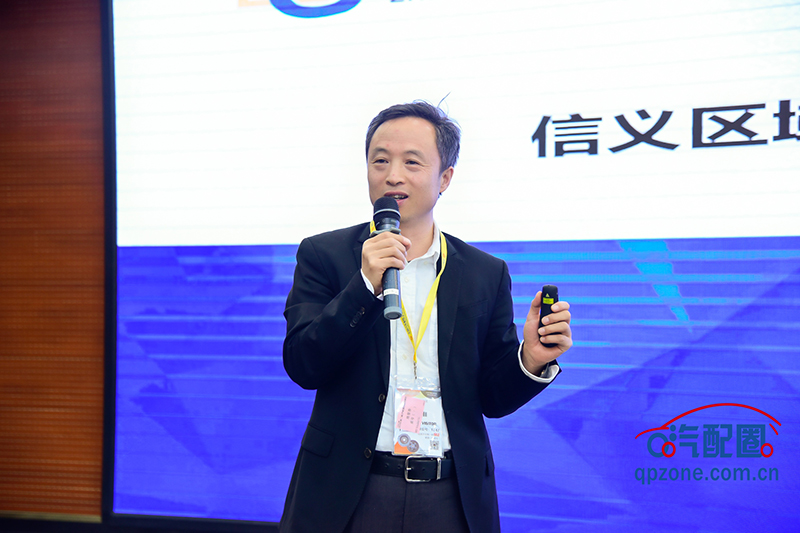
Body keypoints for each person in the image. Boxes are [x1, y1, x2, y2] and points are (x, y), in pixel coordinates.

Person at [280, 101, 572, 533]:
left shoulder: (484, 273)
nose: (392, 175)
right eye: (380, 160)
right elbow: (304, 365)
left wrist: (530, 360)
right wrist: (364, 286)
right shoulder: (324, 255)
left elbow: (492, 399)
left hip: (450, 495)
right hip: (348, 491)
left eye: (411, 162)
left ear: (445, 178)